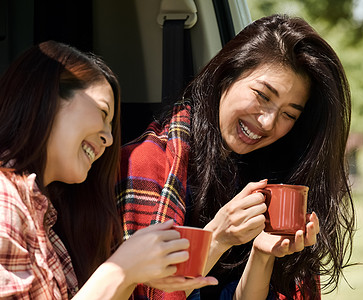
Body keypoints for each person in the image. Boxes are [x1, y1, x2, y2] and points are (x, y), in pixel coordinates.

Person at [117, 14, 355, 300]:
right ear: (227, 73)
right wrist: (217, 237)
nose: (268, 122)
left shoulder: (271, 172)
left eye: (289, 114)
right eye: (263, 96)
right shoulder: (145, 164)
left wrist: (264, 253)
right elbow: (145, 292)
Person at [0, 40, 217, 299]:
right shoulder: (5, 199)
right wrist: (121, 268)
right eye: (103, 113)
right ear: (48, 97)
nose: (109, 138)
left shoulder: (42, 214)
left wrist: (134, 274)